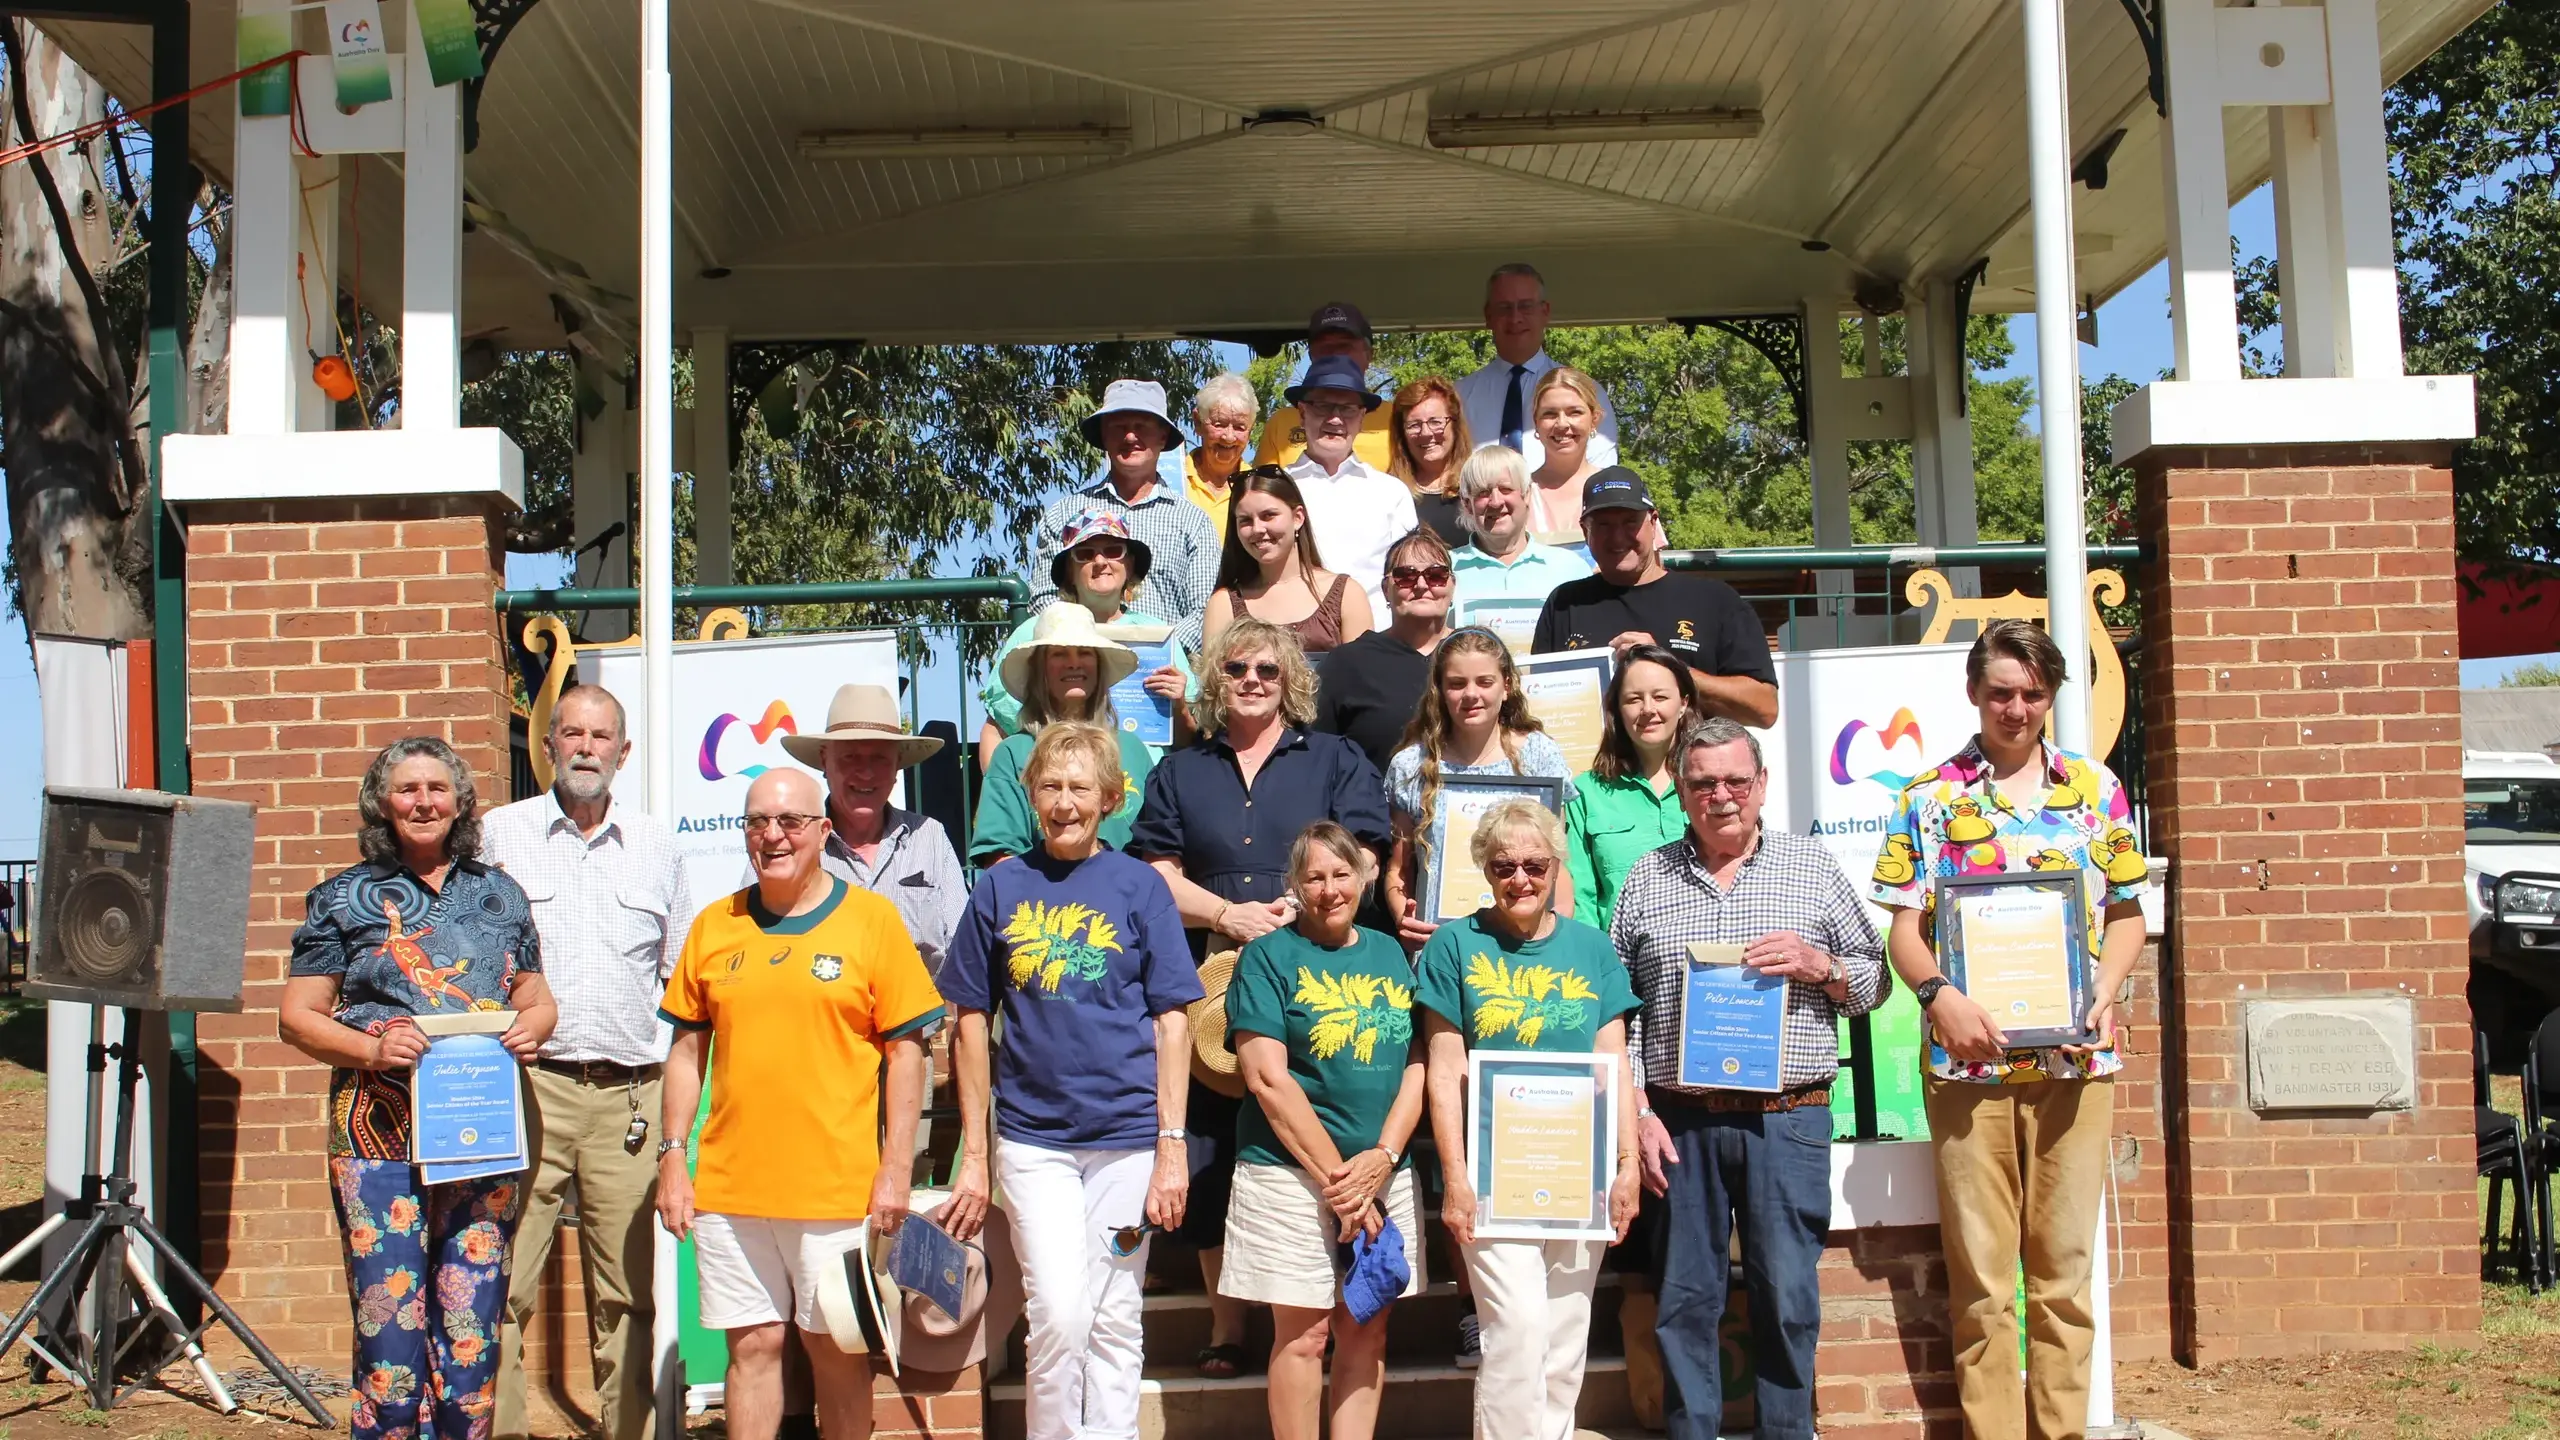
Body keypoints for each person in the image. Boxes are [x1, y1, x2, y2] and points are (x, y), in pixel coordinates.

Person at [1870, 619, 2151, 1440]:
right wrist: (1938, 998)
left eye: (2032, 693)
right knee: (1985, 1281)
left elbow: (2128, 915)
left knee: (2063, 1276)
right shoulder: (1927, 797)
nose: (2016, 707)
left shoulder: (2097, 790)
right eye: (2000, 691)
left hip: (2074, 1058)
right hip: (1967, 1069)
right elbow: (1904, 929)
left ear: (2052, 696)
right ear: (1973, 693)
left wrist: (2102, 989)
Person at [1130, 617, 1393, 1377]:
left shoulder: (1337, 758)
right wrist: (1226, 914)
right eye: (1237, 667)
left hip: (1319, 973)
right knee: (1214, 1144)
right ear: (1215, 679)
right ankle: (1226, 1325)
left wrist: (1298, 910)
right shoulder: (1182, 770)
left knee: (1320, 1124)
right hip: (1212, 980)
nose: (1251, 680)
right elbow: (1156, 872)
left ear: (1291, 681)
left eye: (1268, 671)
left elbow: (1367, 853)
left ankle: (1346, 1312)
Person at [1613, 717, 1888, 1440]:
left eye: (1737, 780)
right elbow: (1622, 1013)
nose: (1722, 796)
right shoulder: (1648, 877)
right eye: (1703, 783)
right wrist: (1638, 1112)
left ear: (1762, 785)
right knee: (1683, 1302)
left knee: (1788, 1298)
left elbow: (1875, 980)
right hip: (1681, 1122)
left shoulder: (1814, 869)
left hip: (1786, 1118)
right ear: (1683, 792)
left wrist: (1820, 965)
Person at [655, 767, 944, 1440]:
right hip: (732, 1191)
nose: (772, 836)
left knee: (837, 1351)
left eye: (789, 822)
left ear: (823, 830)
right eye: (757, 822)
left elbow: (908, 1054)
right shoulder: (713, 926)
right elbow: (685, 1054)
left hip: (837, 1192)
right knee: (751, 1350)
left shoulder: (871, 922)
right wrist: (674, 1158)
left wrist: (895, 1168)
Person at [281, 737, 558, 1440]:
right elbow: (297, 1018)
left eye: (438, 787)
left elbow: (538, 997)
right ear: (382, 801)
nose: (424, 801)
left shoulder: (499, 894)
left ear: (462, 801)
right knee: (391, 1343)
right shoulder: (341, 898)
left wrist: (534, 1027)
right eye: (407, 789)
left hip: (480, 1139)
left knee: (471, 1337)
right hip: (379, 1141)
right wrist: (373, 1049)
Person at [940, 723, 1201, 1440]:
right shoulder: (1000, 886)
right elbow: (968, 1020)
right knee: (1058, 1312)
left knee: (1116, 1318)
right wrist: (973, 1153)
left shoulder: (1141, 887)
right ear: (1030, 797)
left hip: (1127, 1147)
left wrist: (1172, 1147)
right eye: (1049, 787)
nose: (1063, 803)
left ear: (1110, 799)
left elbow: (1173, 1021)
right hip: (1034, 1144)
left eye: (1080, 788)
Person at [484, 688, 689, 1440]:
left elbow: (679, 980)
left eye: (602, 736)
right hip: (527, 1087)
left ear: (623, 753)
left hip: (629, 1097)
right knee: (501, 1286)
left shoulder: (659, 848)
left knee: (629, 1296)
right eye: (571, 733)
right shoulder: (497, 837)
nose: (586, 748)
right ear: (547, 746)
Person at [1416, 799, 1642, 1440]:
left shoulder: (1592, 949)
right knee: (1516, 1327)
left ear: (1555, 866)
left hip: (1581, 1176)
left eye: (1534, 864)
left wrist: (1626, 1165)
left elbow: (1615, 1064)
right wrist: (1456, 1177)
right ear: (1484, 870)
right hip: (1493, 1179)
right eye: (1504, 865)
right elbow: (1443, 1069)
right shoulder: (1455, 947)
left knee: (1567, 1335)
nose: (1520, 878)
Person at [1217, 821, 1426, 1440]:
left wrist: (1384, 1158)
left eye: (1341, 875)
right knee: (1305, 1333)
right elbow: (1266, 1080)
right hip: (1290, 1173)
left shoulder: (1390, 952)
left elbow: (1418, 1059)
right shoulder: (1267, 957)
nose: (1330, 889)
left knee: (1367, 1325)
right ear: (1294, 887)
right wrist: (1343, 1183)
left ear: (1364, 880)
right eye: (1314, 877)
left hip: (1381, 1172)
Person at [1531, 468, 1779, 729]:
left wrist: (1669, 667)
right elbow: (1538, 706)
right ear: (1585, 531)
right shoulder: (1564, 603)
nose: (1617, 537)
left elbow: (1764, 709)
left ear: (1653, 522)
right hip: (1595, 768)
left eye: (1630, 522)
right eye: (1603, 524)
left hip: (1687, 768)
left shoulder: (1715, 600)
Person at [1382, 628, 1574, 951]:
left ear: (1507, 686)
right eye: (1457, 683)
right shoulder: (1411, 765)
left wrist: (1553, 938)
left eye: (1484, 682)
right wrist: (1405, 918)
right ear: (1440, 690)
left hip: (1526, 947)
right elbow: (1399, 871)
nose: (1471, 694)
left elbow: (1558, 865)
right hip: (1441, 948)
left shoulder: (1540, 755)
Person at [777, 684, 968, 980]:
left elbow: (963, 948)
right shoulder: (789, 842)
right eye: (851, 757)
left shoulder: (929, 837)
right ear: (825, 761)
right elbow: (756, 943)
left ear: (896, 767)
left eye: (879, 757)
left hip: (923, 1022)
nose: (865, 772)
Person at [979, 509, 1192, 768]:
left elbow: (1189, 742)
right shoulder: (1035, 632)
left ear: (1130, 564)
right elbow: (996, 729)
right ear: (1069, 570)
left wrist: (1179, 705)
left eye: (1114, 550)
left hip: (1146, 795)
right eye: (1085, 554)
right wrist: (1008, 799)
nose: (1101, 561)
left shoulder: (1159, 635)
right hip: (1058, 795)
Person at [1031, 378, 1221, 651]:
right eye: (1119, 427)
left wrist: (1153, 652)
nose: (1130, 436)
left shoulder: (1193, 521)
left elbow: (1207, 610)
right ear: (1104, 437)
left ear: (1163, 437)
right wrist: (1093, 649)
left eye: (1142, 426)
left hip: (1163, 680)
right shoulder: (1063, 514)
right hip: (1078, 672)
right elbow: (1043, 599)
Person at [971, 603, 1158, 865]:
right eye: (1059, 654)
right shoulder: (1014, 754)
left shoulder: (1132, 750)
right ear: (1040, 670)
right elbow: (999, 856)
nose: (1074, 663)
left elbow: (1157, 848)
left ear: (1099, 666)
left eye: (1085, 652)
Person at [1562, 645, 1698, 931]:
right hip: (1618, 966)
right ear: (1617, 709)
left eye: (1660, 697)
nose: (1648, 709)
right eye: (1633, 699)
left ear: (1683, 703)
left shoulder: (1710, 785)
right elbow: (1579, 898)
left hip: (1700, 966)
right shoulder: (1585, 793)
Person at [1280, 353, 1419, 620]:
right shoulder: (1276, 489)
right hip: (1293, 648)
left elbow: (1409, 579)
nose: (1335, 419)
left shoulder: (1391, 493)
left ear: (1361, 417)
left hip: (1374, 646)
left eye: (1347, 409)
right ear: (1302, 412)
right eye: (1323, 406)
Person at [1314, 527, 1456, 776]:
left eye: (1436, 575)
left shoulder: (1479, 656)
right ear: (1385, 588)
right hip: (1372, 810)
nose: (1421, 585)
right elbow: (1318, 757)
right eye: (1405, 576)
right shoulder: (1347, 664)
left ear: (1452, 585)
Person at [1456, 263, 1620, 471]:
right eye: (1504, 308)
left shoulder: (1585, 394)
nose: (1515, 318)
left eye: (1525, 306)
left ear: (1545, 312)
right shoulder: (1460, 396)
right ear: (1488, 316)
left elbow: (1601, 473)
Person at [1203, 465, 1374, 657]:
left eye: (1269, 515)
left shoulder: (1347, 594)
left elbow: (1364, 680)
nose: (1257, 528)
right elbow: (1213, 683)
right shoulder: (1224, 603)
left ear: (1298, 517)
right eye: (1245, 520)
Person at [1449, 444, 1594, 647]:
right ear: (1466, 504)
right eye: (1483, 492)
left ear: (1526, 495)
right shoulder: (1443, 571)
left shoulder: (1571, 568)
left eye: (1506, 489)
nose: (1496, 502)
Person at [1253, 301, 1398, 470]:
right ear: (1311, 355)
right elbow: (1262, 489)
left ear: (1369, 354)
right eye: (1324, 347)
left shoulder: (1397, 419)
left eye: (1344, 345)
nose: (1334, 354)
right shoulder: (1280, 422)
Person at [1522, 368, 1609, 546]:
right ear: (1536, 423)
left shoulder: (1617, 490)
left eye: (1574, 412)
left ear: (1594, 419)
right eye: (1550, 414)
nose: (1562, 424)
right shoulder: (1516, 495)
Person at [1386, 376, 1474, 546]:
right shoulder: (1387, 492)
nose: (1426, 433)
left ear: (1455, 425)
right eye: (1414, 425)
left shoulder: (1479, 484)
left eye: (1435, 422)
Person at [1185, 373, 1258, 539]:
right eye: (1220, 424)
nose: (1229, 437)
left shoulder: (1257, 486)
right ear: (1198, 422)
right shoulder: (1172, 480)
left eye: (1240, 427)